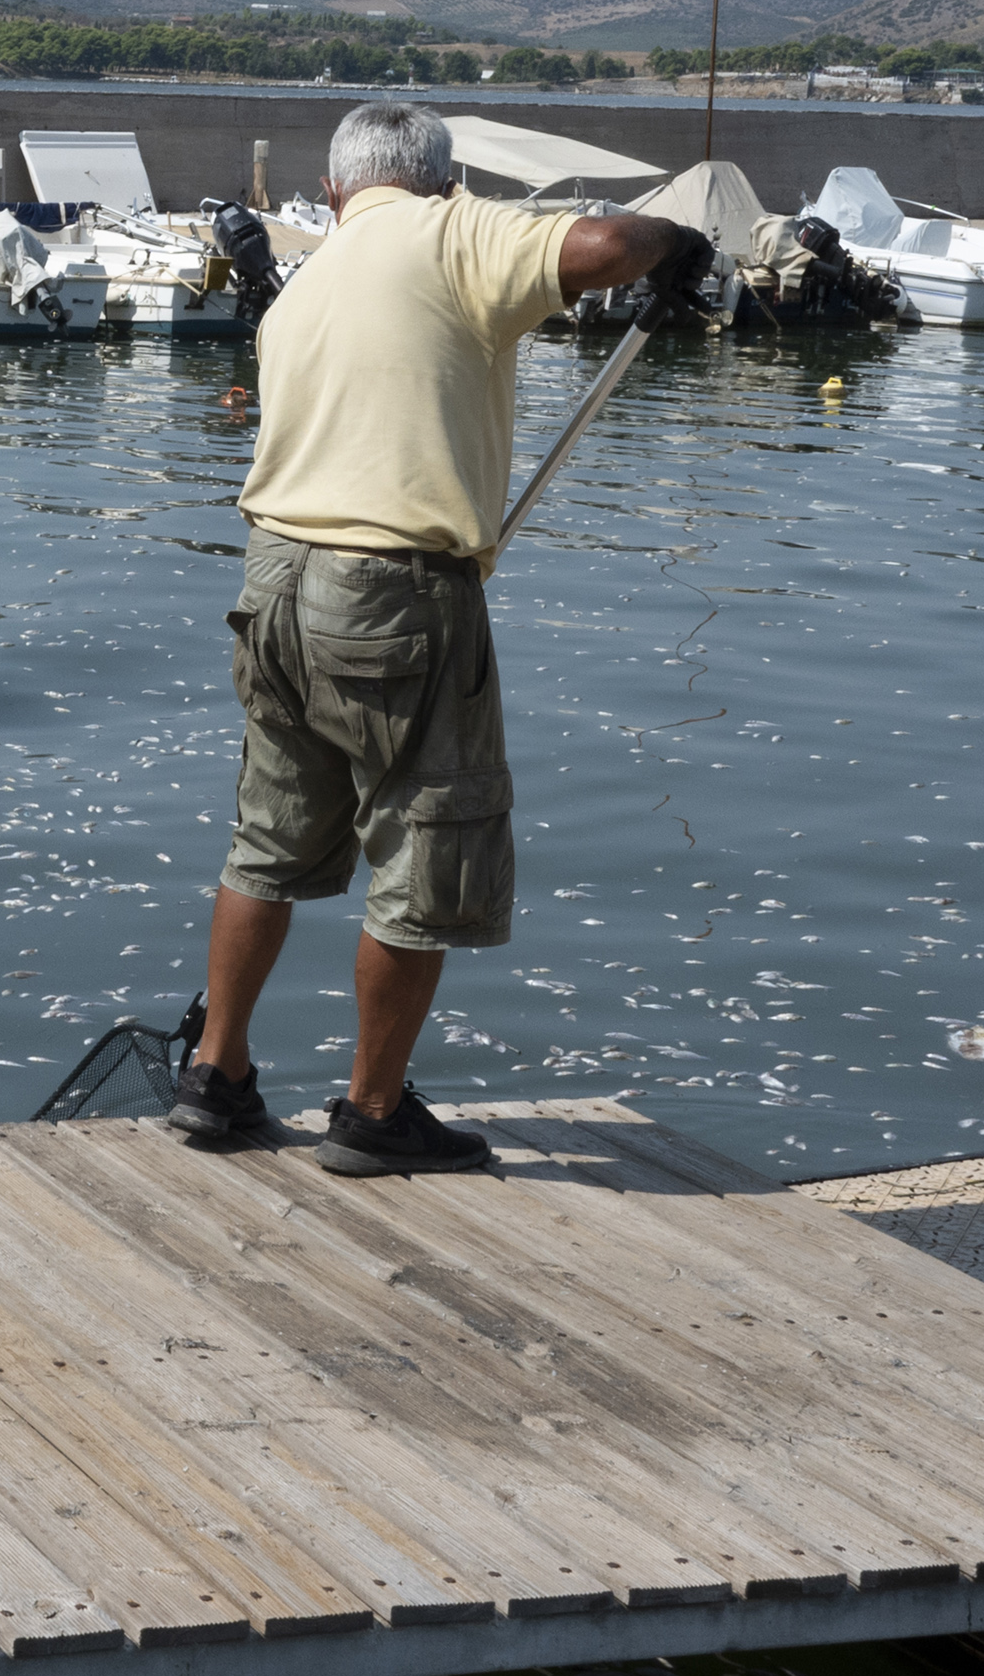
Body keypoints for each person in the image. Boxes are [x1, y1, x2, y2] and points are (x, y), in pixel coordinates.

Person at [178, 99, 709, 1174]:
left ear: (332, 190)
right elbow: (604, 244)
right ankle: (373, 1111)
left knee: (266, 842)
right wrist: (679, 239)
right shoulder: (450, 227)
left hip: (272, 578)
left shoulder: (305, 285)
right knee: (425, 845)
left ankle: (216, 1074)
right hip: (394, 590)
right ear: (440, 177)